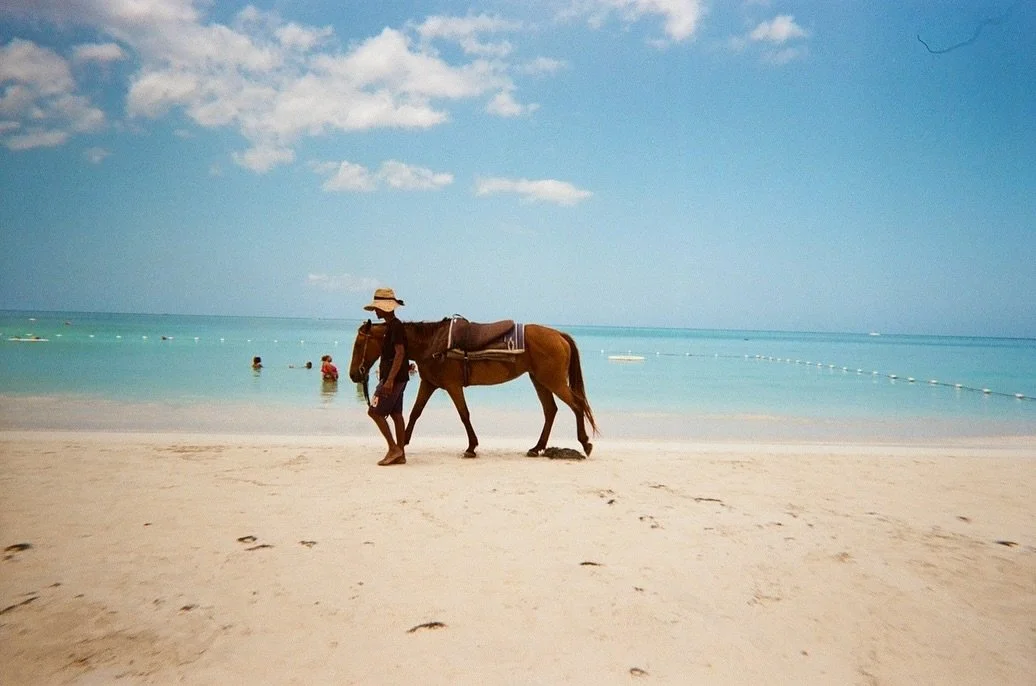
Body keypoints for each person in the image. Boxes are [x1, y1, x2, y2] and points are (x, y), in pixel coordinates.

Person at [363, 287, 409, 466]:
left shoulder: (395, 327)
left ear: (385, 308)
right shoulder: (393, 326)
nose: (375, 310)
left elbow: (400, 353)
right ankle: (401, 454)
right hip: (400, 377)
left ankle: (393, 448)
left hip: (394, 378)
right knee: (397, 414)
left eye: (377, 307)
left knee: (374, 412)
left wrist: (389, 380)